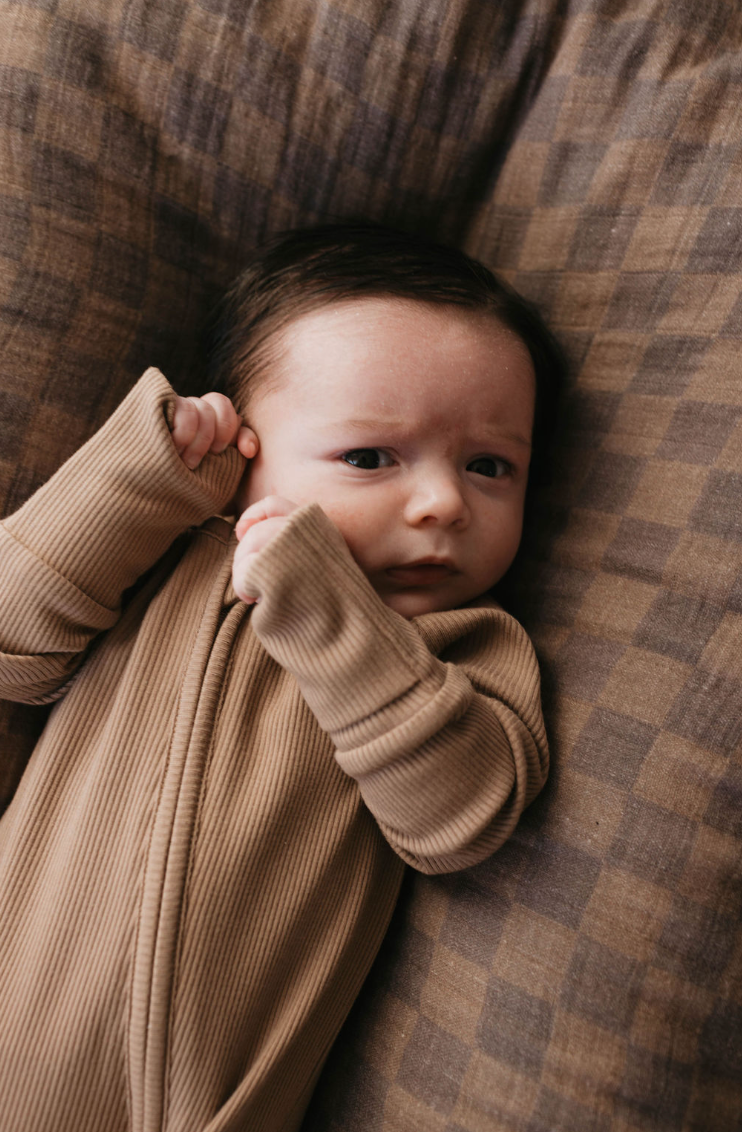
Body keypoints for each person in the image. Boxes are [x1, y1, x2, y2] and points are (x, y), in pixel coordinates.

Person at [0, 224, 563, 1132]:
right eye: (371, 458)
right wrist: (132, 483)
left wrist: (327, 612)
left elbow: (459, 819)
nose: (444, 504)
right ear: (244, 454)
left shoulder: (461, 649)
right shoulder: (171, 554)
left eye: (489, 465)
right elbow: (12, 647)